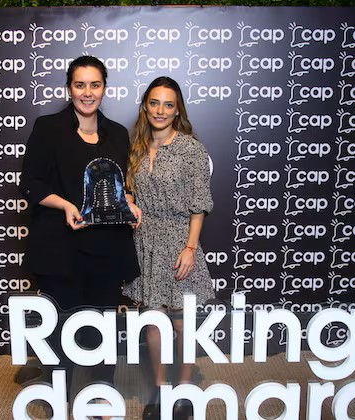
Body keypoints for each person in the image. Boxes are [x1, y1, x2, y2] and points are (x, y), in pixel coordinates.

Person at [19, 56, 141, 395]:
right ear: (69, 88)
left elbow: (120, 186)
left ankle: (102, 393)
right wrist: (65, 205)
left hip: (106, 247)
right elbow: (31, 183)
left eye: (95, 85)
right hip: (60, 246)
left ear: (104, 88)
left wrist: (129, 202)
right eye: (80, 85)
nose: (88, 93)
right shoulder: (48, 128)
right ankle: (56, 393)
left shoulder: (117, 134)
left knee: (102, 324)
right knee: (60, 325)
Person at [123, 76, 214, 419]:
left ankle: (184, 392)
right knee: (153, 324)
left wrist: (190, 247)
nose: (160, 110)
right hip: (144, 242)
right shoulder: (135, 146)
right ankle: (160, 392)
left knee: (180, 325)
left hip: (179, 242)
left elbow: (199, 204)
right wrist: (130, 202)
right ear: (145, 107)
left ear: (177, 111)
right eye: (154, 103)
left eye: (168, 105)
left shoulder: (191, 149)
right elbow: (129, 190)